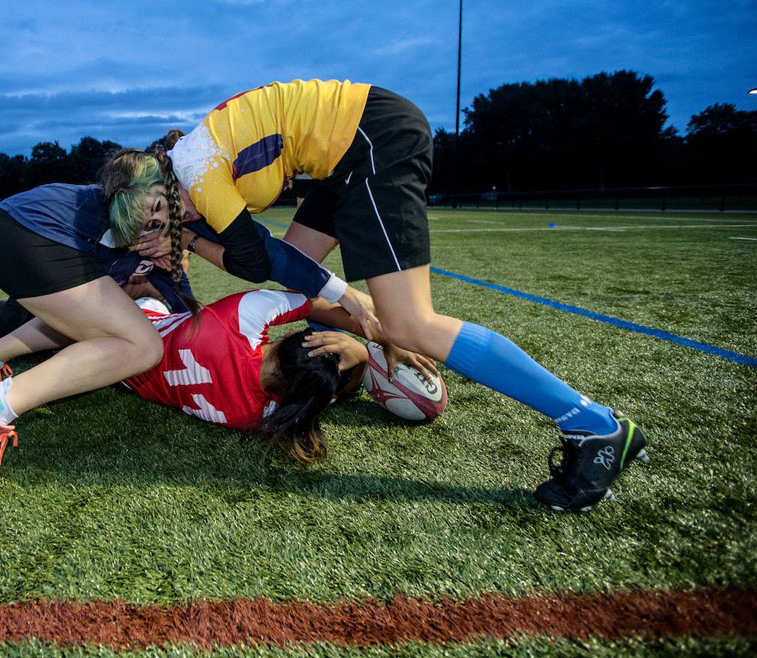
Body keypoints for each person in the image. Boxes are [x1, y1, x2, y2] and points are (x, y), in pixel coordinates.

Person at [160, 79, 648, 511]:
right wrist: (188, 241)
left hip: (369, 141)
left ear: (164, 189)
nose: (175, 225)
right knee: (300, 279)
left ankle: (592, 425)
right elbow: (270, 261)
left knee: (409, 322)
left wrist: (189, 241)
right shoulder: (195, 165)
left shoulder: (198, 174)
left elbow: (252, 260)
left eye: (165, 219)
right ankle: (359, 347)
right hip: (344, 155)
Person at [0, 145, 375, 490]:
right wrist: (363, 320)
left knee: (113, 332)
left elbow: (217, 284)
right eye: (163, 216)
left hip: (17, 232)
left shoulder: (183, 219)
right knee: (139, 345)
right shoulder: (251, 412)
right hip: (30, 235)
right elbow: (268, 262)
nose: (186, 216)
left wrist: (176, 255)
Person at [0, 287, 438, 466]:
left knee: (36, 311)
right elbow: (320, 391)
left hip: (130, 330)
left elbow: (315, 302)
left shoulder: (241, 321)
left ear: (293, 339)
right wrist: (360, 369)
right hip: (131, 376)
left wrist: (367, 340)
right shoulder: (263, 414)